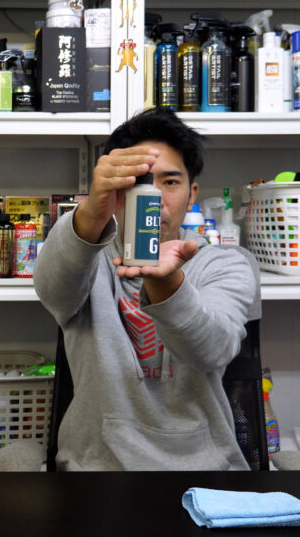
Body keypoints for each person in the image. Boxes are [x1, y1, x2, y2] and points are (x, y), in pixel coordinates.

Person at [33, 107, 261, 471]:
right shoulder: (85, 260)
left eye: (170, 182)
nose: (154, 196)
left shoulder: (225, 263)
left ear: (191, 194)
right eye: (139, 181)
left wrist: (165, 281)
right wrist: (91, 212)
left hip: (206, 474)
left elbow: (212, 350)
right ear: (115, 190)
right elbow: (50, 287)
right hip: (94, 474)